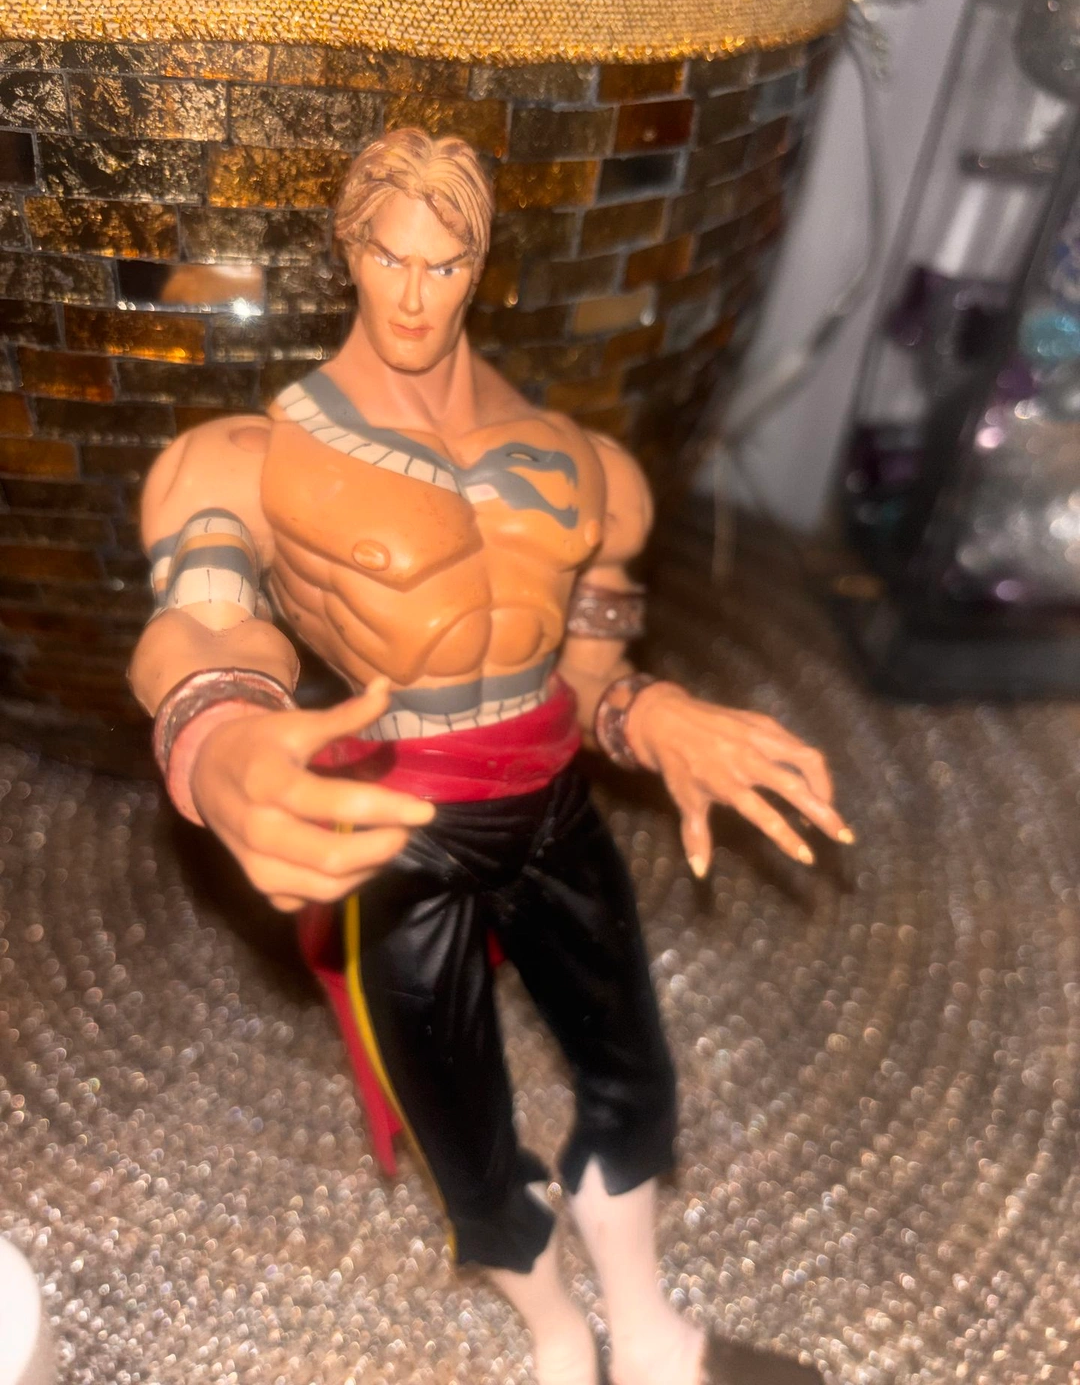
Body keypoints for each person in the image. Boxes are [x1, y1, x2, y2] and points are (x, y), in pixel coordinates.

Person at [130, 128, 851, 1385]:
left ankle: (653, 1336)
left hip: (554, 802)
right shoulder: (252, 460)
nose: (415, 293)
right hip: (400, 829)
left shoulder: (587, 470)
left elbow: (594, 671)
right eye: (390, 257)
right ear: (349, 251)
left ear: (480, 266)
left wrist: (651, 714)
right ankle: (560, 1341)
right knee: (461, 1127)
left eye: (445, 264)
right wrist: (219, 732)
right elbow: (202, 622)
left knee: (634, 1075)